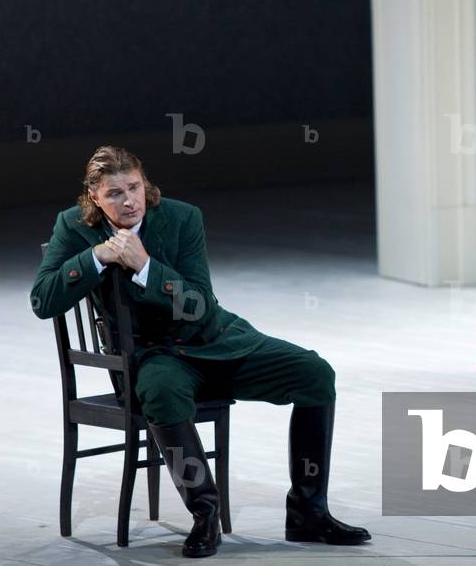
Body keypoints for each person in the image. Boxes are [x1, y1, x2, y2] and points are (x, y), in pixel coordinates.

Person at [31, 146, 370, 558]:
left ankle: (308, 512)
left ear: (144, 183)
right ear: (94, 197)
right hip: (154, 356)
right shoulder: (74, 226)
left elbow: (199, 305)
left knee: (315, 374)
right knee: (161, 392)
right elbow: (42, 300)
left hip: (216, 340)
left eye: (134, 187)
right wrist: (95, 256)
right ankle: (205, 515)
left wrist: (146, 268)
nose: (129, 200)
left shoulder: (181, 217)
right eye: (115, 193)